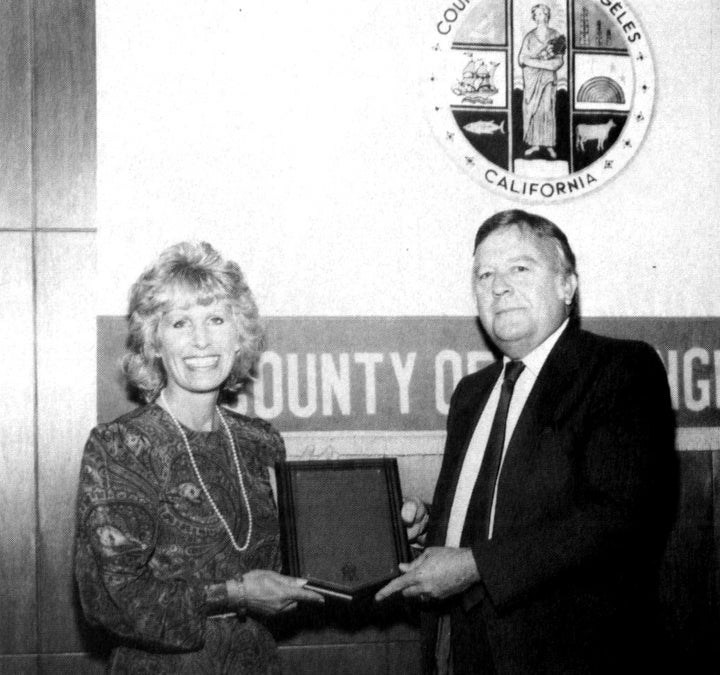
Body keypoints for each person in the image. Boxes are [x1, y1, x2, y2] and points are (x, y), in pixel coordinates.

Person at [376, 210, 676, 673]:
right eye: (484, 274)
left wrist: (475, 564)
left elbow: (621, 517)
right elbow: (506, 509)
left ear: (567, 286)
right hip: (459, 649)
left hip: (565, 656)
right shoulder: (471, 395)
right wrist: (431, 526)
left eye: (519, 268)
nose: (498, 286)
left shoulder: (619, 369)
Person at [75, 241, 323, 674]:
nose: (202, 340)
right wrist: (235, 595)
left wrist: (381, 524)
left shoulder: (260, 442)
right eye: (179, 323)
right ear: (154, 341)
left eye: (216, 319)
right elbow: (112, 599)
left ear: (238, 333)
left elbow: (292, 566)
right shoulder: (123, 446)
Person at [518, 4, 564, 158]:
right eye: (536, 14)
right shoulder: (530, 37)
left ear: (547, 15)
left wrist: (537, 62)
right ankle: (535, 144)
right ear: (534, 17)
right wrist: (542, 63)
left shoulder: (556, 35)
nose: (539, 17)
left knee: (547, 109)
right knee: (535, 110)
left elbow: (558, 62)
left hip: (548, 79)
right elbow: (521, 59)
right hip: (532, 80)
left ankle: (549, 144)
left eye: (542, 14)